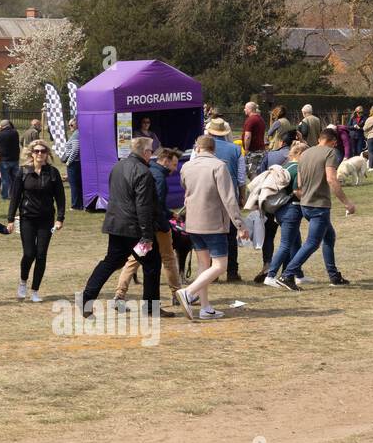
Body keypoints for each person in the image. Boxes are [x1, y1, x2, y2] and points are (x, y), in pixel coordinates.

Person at [80, 136, 162, 316]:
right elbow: (143, 205)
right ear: (145, 152)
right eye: (151, 151)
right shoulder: (144, 172)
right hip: (134, 228)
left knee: (110, 262)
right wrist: (147, 235)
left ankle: (87, 299)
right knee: (152, 264)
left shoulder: (117, 167)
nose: (152, 154)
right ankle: (151, 307)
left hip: (116, 224)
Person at [173, 136, 250, 321]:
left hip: (192, 222)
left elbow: (186, 188)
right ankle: (189, 293)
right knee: (220, 265)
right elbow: (229, 198)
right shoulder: (218, 166)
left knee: (203, 265)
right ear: (213, 149)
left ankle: (205, 307)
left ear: (197, 149)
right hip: (213, 222)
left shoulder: (186, 167)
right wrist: (240, 224)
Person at [274, 128, 355, 288]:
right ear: (333, 142)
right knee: (312, 243)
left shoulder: (305, 154)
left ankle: (334, 276)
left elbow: (299, 182)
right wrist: (347, 202)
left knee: (329, 237)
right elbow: (332, 179)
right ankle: (287, 275)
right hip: (319, 206)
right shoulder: (330, 153)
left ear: (319, 138)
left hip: (305, 204)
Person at [112, 146, 182, 315]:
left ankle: (119, 294)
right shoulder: (158, 177)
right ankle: (177, 294)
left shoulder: (150, 172)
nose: (174, 169)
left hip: (145, 226)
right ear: (165, 161)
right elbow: (154, 204)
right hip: (157, 227)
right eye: (174, 164)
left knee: (134, 259)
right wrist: (167, 217)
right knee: (169, 259)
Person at [6, 139, 66, 303]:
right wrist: (10, 219)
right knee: (29, 253)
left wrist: (60, 218)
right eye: (36, 151)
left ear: (47, 154)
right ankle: (23, 282)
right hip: (27, 218)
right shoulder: (23, 171)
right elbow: (15, 197)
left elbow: (60, 197)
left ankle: (35, 290)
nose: (40, 154)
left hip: (46, 220)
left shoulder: (53, 173)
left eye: (43, 151)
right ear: (31, 153)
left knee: (41, 255)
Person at [260, 139, 307, 288]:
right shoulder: (298, 168)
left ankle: (296, 274)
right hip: (291, 210)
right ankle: (271, 275)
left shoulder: (286, 166)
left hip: (281, 210)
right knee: (286, 245)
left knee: (295, 243)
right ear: (300, 154)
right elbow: (297, 191)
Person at [205, 117, 245, 281]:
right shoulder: (236, 150)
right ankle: (232, 272)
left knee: (209, 235)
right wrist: (242, 196)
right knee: (231, 236)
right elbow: (241, 178)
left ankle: (211, 273)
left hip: (207, 198)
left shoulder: (201, 150)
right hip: (230, 197)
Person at [0, 120, 21, 200]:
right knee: (14, 178)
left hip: (4, 159)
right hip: (15, 158)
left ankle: (5, 195)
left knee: (5, 178)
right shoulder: (15, 133)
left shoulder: (0, 134)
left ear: (1, 126)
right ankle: (14, 194)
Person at [241, 102, 267, 177]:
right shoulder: (260, 119)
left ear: (250, 109)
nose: (244, 109)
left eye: (245, 108)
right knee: (257, 172)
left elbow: (248, 136)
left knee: (251, 172)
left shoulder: (251, 120)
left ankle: (256, 188)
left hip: (253, 151)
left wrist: (246, 149)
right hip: (260, 150)